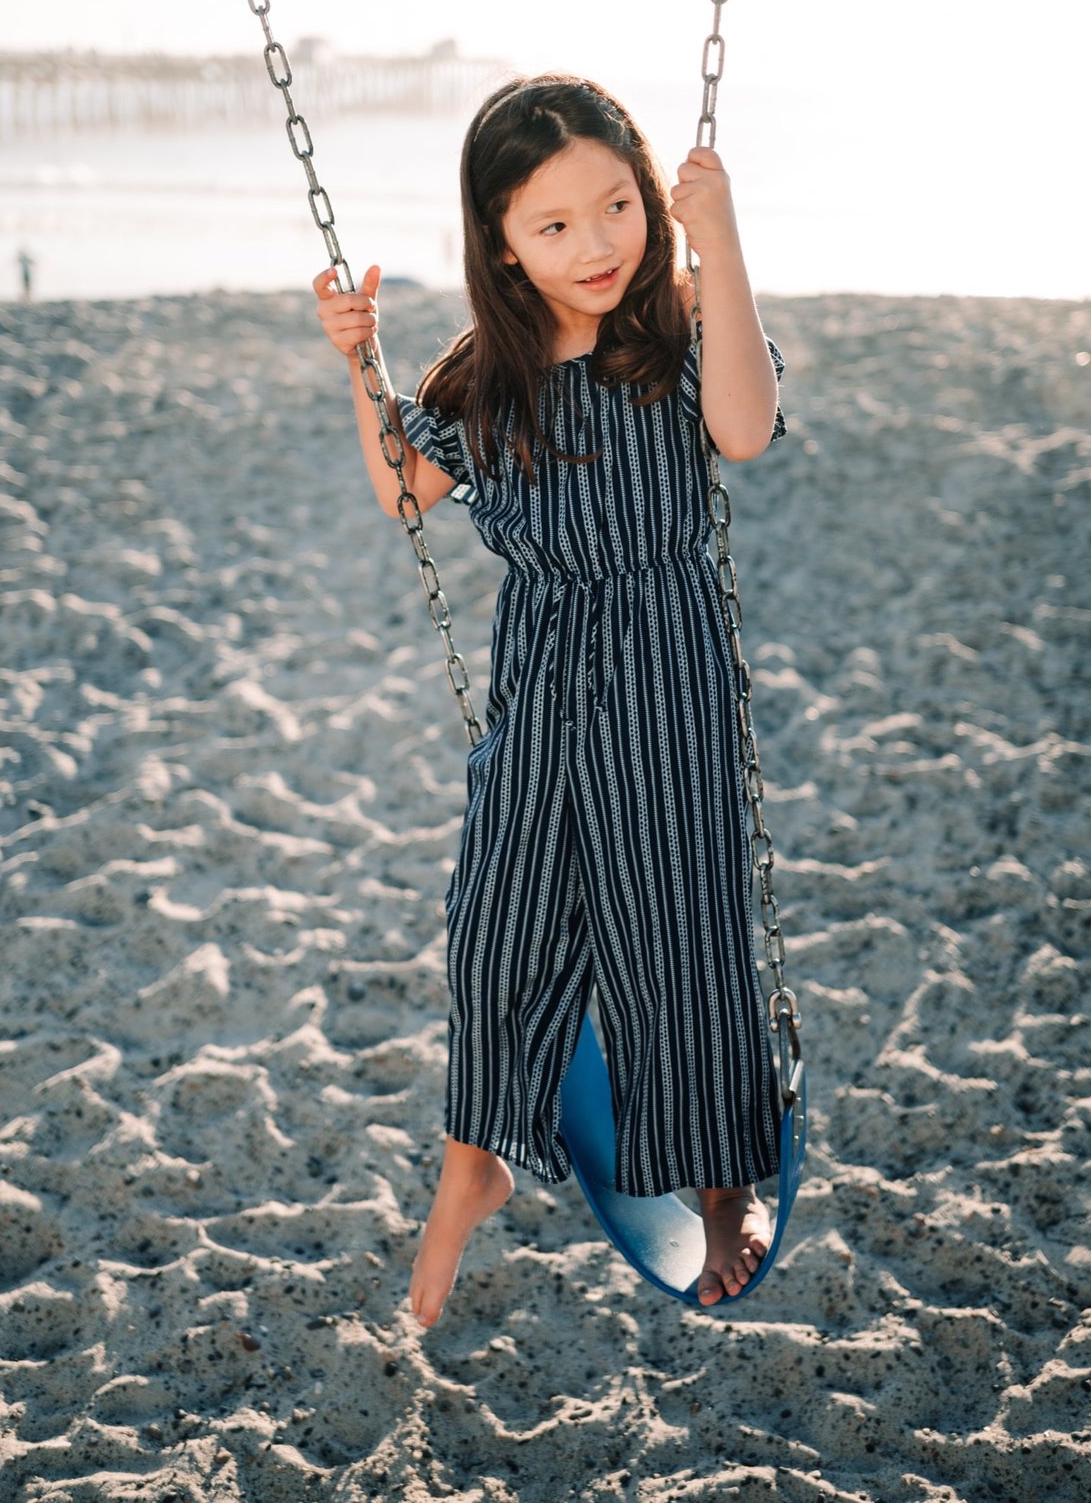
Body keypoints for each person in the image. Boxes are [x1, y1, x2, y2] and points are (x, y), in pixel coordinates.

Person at [313, 74, 788, 1327]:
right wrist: (360, 366)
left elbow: (743, 429)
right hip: (541, 676)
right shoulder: (491, 373)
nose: (596, 244)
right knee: (496, 914)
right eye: (555, 225)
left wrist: (720, 241)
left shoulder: (679, 331)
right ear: (504, 246)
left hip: (666, 667)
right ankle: (475, 1159)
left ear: (650, 196)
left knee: (675, 924)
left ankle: (722, 1179)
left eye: (618, 205)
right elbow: (408, 491)